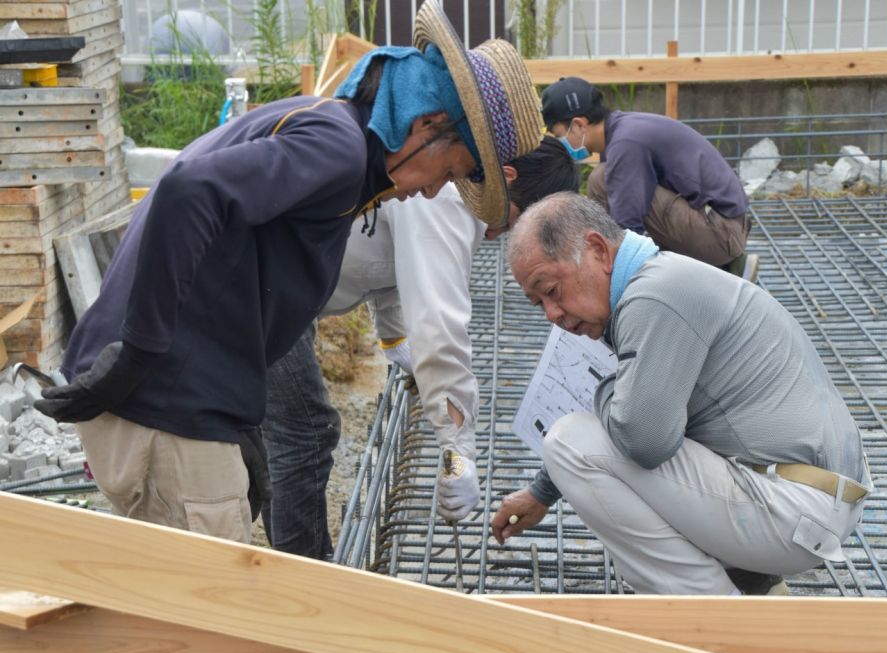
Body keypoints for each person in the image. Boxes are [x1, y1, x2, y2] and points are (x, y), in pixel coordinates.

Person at [34, 1, 545, 544]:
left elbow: (238, 268)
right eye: (452, 171)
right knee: (212, 617)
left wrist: (238, 418)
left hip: (184, 401)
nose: (436, 190)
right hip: (166, 406)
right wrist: (138, 354)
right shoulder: (339, 150)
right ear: (426, 125)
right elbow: (187, 192)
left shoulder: (335, 138)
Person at [491, 192, 870, 595]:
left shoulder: (655, 297)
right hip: (812, 501)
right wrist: (542, 492)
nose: (552, 315)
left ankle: (713, 622)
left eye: (551, 289)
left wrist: (608, 389)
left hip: (797, 509)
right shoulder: (659, 279)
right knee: (636, 424)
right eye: (538, 303)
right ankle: (753, 586)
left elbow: (643, 440)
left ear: (598, 250)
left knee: (568, 441)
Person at [262, 136, 579, 559]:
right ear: (507, 179)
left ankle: (294, 565)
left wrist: (394, 339)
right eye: (514, 223)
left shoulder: (454, 187)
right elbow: (439, 320)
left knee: (276, 436)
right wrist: (458, 449)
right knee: (305, 434)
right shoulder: (447, 198)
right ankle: (302, 582)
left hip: (282, 288)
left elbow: (395, 266)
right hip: (261, 288)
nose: (500, 236)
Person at [541, 76, 760, 282]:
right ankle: (718, 267)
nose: (562, 141)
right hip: (721, 224)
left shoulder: (626, 144)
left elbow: (627, 224)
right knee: (602, 178)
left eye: (560, 134)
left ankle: (726, 270)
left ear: (579, 124)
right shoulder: (622, 130)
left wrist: (611, 275)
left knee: (624, 197)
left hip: (721, 234)